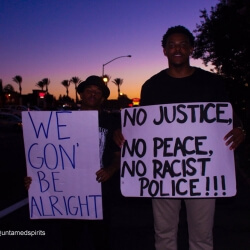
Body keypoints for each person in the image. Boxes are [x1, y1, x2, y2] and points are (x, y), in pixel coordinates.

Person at [114, 26, 245, 250]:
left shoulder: (211, 82)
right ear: (164, 50)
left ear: (191, 49)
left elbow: (226, 113)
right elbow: (141, 124)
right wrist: (123, 132)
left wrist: (241, 128)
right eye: (172, 45)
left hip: (203, 173)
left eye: (183, 44)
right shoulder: (152, 86)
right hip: (162, 173)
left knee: (202, 236)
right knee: (164, 234)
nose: (178, 49)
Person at [25, 75, 121, 250]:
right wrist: (35, 177)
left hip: (100, 194)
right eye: (89, 91)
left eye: (98, 92)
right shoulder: (60, 120)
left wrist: (111, 169)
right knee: (70, 241)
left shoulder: (112, 122)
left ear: (102, 98)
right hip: (69, 197)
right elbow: (45, 154)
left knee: (102, 242)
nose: (93, 94)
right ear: (81, 94)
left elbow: (118, 154)